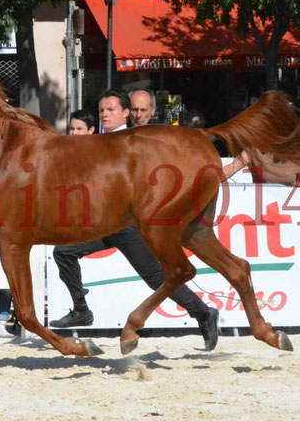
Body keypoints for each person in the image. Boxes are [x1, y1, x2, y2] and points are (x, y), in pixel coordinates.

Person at [51, 100, 221, 351]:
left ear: (125, 114)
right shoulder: (95, 144)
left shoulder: (134, 141)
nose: (105, 115)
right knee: (63, 252)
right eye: (101, 111)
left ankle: (204, 314)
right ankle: (81, 310)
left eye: (110, 110)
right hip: (104, 223)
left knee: (155, 278)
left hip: (130, 224)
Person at [223, 149, 300, 187]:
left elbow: (297, 181)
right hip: (260, 212)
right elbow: (231, 168)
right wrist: (207, 180)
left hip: (289, 218)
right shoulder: (253, 151)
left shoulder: (295, 154)